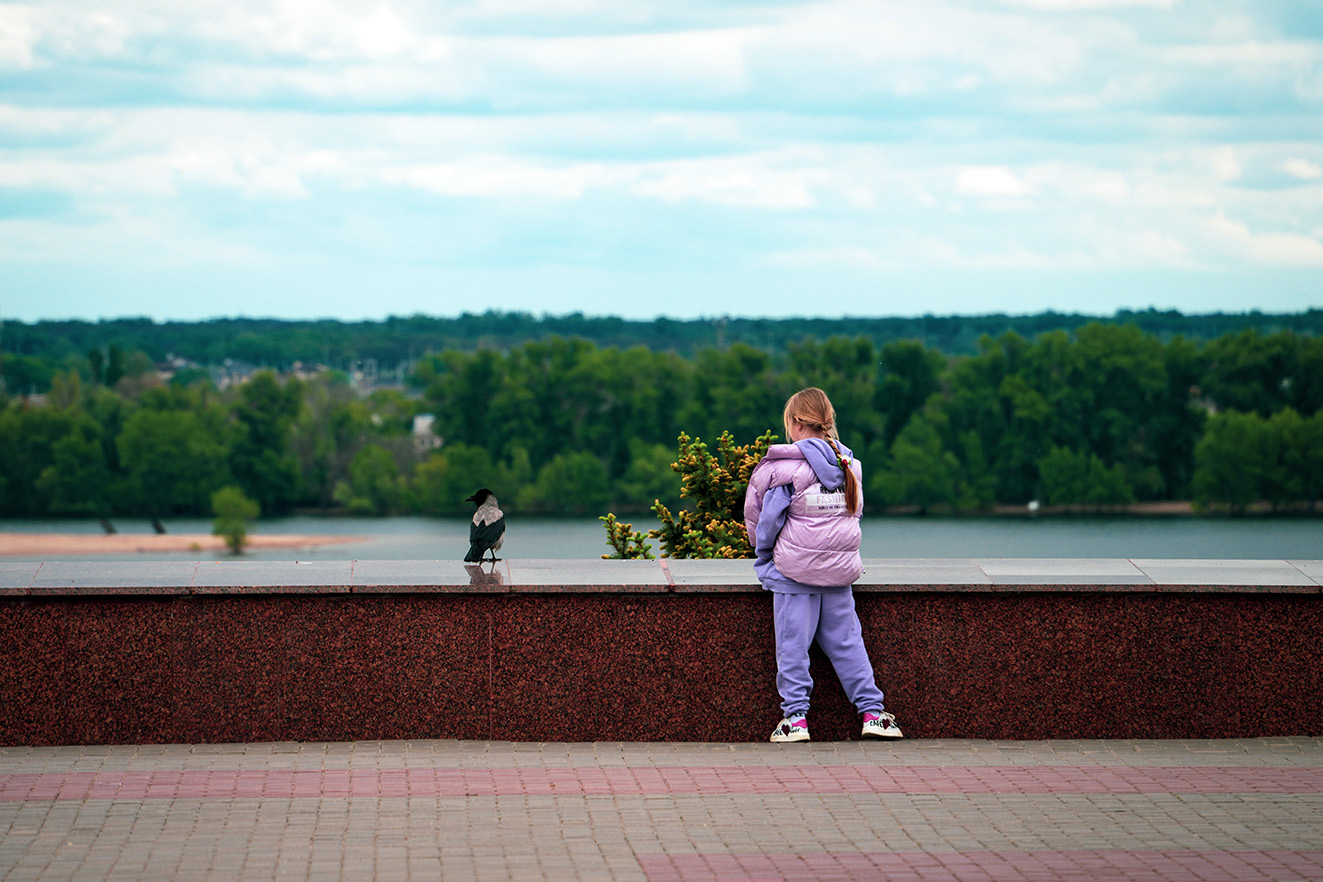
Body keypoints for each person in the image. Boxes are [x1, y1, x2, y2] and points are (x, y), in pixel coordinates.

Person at [744, 387, 903, 743]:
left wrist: (765, 555)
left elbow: (763, 520)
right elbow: (854, 515)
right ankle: (874, 714)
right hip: (838, 575)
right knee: (848, 643)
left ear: (797, 423)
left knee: (792, 646)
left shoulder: (783, 469)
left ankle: (795, 720)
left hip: (794, 575)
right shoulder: (850, 465)